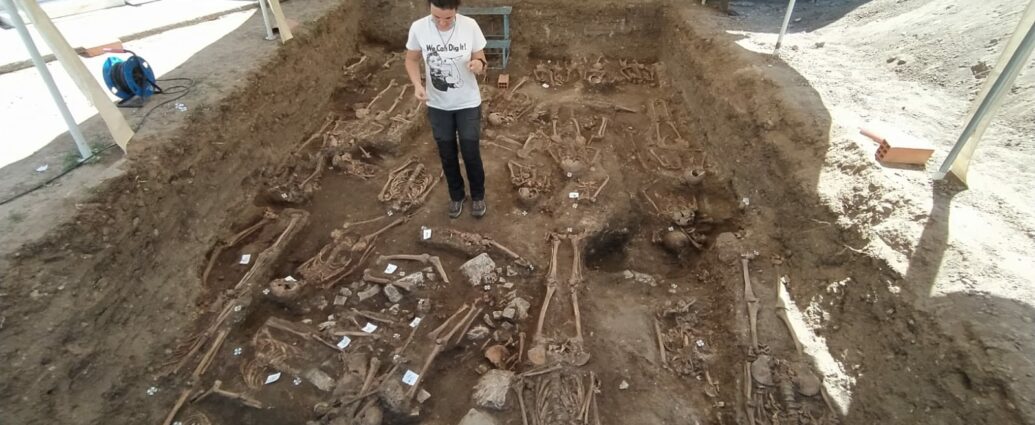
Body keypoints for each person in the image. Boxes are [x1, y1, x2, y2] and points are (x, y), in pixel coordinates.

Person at [405, 0, 488, 218]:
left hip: (468, 102)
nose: (442, 23)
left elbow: (481, 57)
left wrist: (478, 64)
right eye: (436, 17)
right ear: (430, 10)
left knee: (471, 152)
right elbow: (411, 60)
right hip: (438, 104)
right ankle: (456, 195)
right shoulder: (419, 28)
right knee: (447, 153)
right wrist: (417, 85)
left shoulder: (470, 26)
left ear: (456, 11)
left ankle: (478, 195)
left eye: (448, 18)